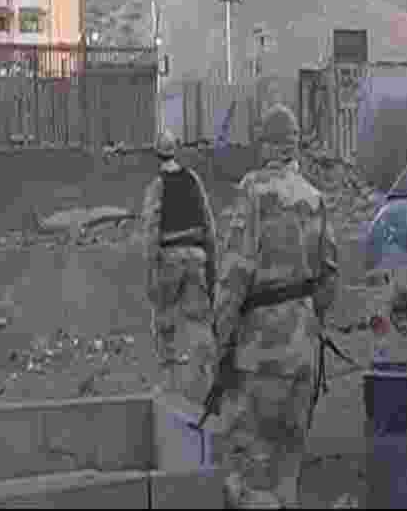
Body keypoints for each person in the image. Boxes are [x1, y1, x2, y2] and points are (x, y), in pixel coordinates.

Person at [212, 104, 339, 509]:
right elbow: (329, 278)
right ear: (296, 146)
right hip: (303, 352)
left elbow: (235, 274)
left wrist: (222, 338)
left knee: (250, 470)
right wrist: (310, 323)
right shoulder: (315, 197)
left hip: (260, 353)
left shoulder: (254, 192)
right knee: (289, 469)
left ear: (266, 146)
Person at [139, 129, 218, 404]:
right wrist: (212, 264)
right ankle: (206, 384)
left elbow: (151, 230)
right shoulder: (193, 180)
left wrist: (150, 271)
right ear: (176, 151)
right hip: (197, 257)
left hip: (169, 258)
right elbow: (209, 223)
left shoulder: (157, 185)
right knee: (199, 322)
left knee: (164, 319)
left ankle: (170, 385)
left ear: (156, 155)